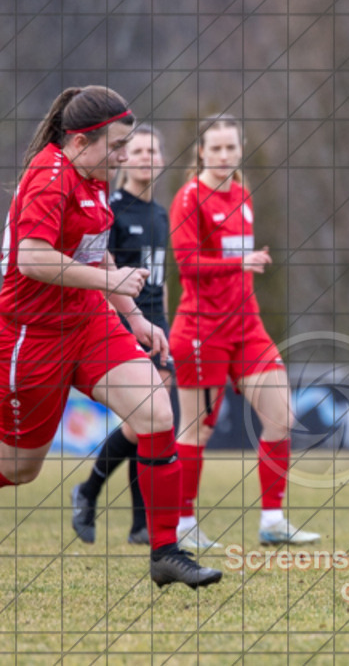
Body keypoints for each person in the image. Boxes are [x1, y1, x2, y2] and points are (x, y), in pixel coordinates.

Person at [0, 86, 221, 588]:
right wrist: (109, 283)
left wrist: (134, 318)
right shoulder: (48, 177)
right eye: (118, 146)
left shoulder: (93, 177)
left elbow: (98, 255)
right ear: (80, 143)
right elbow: (32, 259)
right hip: (31, 337)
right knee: (19, 470)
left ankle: (165, 550)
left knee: (156, 410)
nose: (124, 155)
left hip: (87, 323)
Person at [168, 113, 320, 551]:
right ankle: (182, 524)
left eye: (230, 147)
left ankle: (272, 520)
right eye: (214, 148)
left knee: (281, 417)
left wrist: (245, 267)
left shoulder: (241, 193)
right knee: (197, 430)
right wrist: (241, 263)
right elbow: (188, 267)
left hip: (246, 326)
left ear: (240, 148)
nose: (223, 155)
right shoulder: (189, 198)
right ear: (201, 151)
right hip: (201, 329)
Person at [70, 124, 175, 546]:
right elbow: (99, 268)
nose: (147, 157)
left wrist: (165, 324)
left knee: (149, 425)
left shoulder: (161, 214)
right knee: (144, 421)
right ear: (124, 158)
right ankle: (94, 492)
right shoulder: (112, 208)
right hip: (120, 323)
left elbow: (162, 280)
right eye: (138, 150)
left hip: (156, 326)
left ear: (163, 160)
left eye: (154, 150)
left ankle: (138, 523)